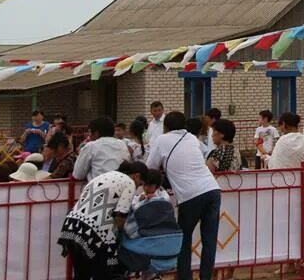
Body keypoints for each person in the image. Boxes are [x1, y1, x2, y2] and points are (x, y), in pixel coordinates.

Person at [146, 111, 222, 280]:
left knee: (184, 240)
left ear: (166, 127)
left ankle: (185, 276)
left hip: (190, 195)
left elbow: (150, 167)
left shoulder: (162, 140)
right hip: (212, 189)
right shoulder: (192, 139)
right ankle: (206, 277)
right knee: (209, 241)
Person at [57, 161, 146, 280]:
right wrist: (125, 233)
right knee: (103, 274)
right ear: (137, 176)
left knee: (81, 275)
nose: (138, 187)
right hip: (94, 233)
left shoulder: (104, 176)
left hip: (72, 225)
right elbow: (120, 215)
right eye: (140, 184)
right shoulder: (129, 182)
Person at [119, 168, 182, 280]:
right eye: (144, 185)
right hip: (147, 237)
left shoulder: (164, 196)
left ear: (157, 186)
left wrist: (154, 200)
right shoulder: (141, 195)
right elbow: (133, 205)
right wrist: (140, 199)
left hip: (157, 236)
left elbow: (164, 202)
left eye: (149, 186)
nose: (146, 188)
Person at [74, 117, 131, 181]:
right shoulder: (122, 144)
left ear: (96, 133)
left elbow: (77, 175)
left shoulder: (91, 146)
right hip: (123, 184)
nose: (89, 136)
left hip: (99, 186)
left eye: (89, 132)